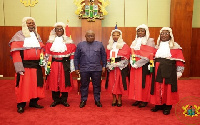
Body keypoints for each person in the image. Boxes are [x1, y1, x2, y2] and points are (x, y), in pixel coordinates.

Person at [9, 17, 45, 114]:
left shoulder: (37, 36)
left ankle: (33, 102)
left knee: (36, 85)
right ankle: (21, 105)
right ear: (24, 24)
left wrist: (43, 62)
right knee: (23, 86)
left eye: (33, 23)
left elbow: (41, 50)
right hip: (24, 66)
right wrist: (19, 68)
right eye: (29, 23)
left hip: (36, 66)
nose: (31, 25)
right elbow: (16, 54)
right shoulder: (18, 36)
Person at [150, 27, 185, 115]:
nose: (164, 35)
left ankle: (167, 106)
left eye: (166, 33)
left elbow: (180, 60)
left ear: (170, 35)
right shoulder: (157, 46)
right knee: (157, 86)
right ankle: (158, 104)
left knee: (167, 87)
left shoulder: (175, 46)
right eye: (162, 33)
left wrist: (179, 71)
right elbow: (152, 57)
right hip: (157, 69)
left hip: (169, 69)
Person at [45, 22, 76, 107]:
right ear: (55, 31)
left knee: (65, 82)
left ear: (63, 31)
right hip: (54, 64)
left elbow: (72, 55)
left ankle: (64, 100)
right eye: (57, 29)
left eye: (61, 29)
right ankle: (56, 100)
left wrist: (72, 66)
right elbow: (47, 55)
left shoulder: (69, 42)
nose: (59, 30)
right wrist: (46, 67)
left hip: (65, 65)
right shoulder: (49, 43)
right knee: (54, 82)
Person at [74, 30, 106, 108]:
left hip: (97, 69)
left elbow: (104, 56)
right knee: (84, 85)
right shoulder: (80, 45)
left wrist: (104, 66)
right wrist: (76, 68)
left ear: (94, 37)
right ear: (85, 36)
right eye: (88, 36)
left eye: (92, 36)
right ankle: (83, 100)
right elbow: (76, 57)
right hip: (84, 69)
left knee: (97, 85)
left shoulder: (100, 45)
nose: (90, 37)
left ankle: (97, 100)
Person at [128, 24, 155, 108]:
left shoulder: (150, 41)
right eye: (138, 31)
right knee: (136, 82)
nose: (140, 32)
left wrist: (138, 63)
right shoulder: (134, 41)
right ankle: (138, 98)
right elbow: (131, 52)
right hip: (134, 66)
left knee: (144, 83)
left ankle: (144, 100)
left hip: (143, 66)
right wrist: (132, 62)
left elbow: (150, 54)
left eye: (142, 31)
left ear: (146, 32)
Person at [105, 28, 130, 107]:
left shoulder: (124, 45)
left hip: (120, 68)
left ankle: (119, 98)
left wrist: (118, 64)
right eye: (114, 35)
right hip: (111, 68)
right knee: (112, 82)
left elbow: (126, 58)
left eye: (117, 35)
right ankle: (113, 98)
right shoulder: (109, 45)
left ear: (120, 36)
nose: (115, 36)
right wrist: (109, 65)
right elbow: (107, 57)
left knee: (119, 83)